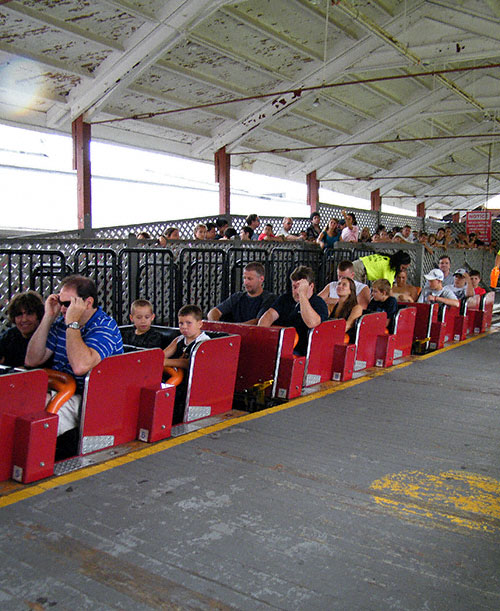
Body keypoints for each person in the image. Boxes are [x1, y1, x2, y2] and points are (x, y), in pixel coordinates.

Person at [25, 275, 124, 438]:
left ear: (88, 302)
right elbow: (32, 359)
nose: (63, 309)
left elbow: (80, 366)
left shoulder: (105, 327)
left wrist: (72, 323)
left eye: (68, 304)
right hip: (59, 388)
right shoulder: (60, 324)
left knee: (36, 421)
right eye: (61, 302)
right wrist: (48, 317)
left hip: (88, 398)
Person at [258, 266, 328, 356]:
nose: (297, 291)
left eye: (300, 287)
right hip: (280, 345)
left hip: (302, 351)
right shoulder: (285, 299)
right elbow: (270, 315)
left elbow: (312, 323)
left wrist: (302, 295)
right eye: (294, 287)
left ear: (311, 286)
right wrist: (260, 335)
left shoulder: (318, 303)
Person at [163, 304, 210, 425]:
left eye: (189, 323)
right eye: (181, 323)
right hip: (175, 378)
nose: (184, 327)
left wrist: (166, 362)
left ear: (200, 324)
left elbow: (189, 363)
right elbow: (163, 355)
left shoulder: (203, 342)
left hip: (193, 384)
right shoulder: (178, 340)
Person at [208, 262, 276, 324]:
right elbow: (214, 312)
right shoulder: (237, 297)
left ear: (261, 279)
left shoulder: (269, 299)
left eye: (249, 279)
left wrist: (234, 328)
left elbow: (258, 321)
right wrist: (215, 324)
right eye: (244, 278)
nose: (245, 282)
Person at [0, 291, 45, 367]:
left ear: (39, 315)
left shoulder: (47, 337)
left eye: (29, 313)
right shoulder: (10, 336)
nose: (24, 319)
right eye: (19, 314)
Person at [327, 277, 363, 342]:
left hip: (346, 341)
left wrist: (328, 334)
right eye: (339, 284)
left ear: (350, 291)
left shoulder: (357, 308)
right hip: (331, 336)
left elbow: (348, 325)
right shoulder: (331, 306)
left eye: (344, 285)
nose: (340, 286)